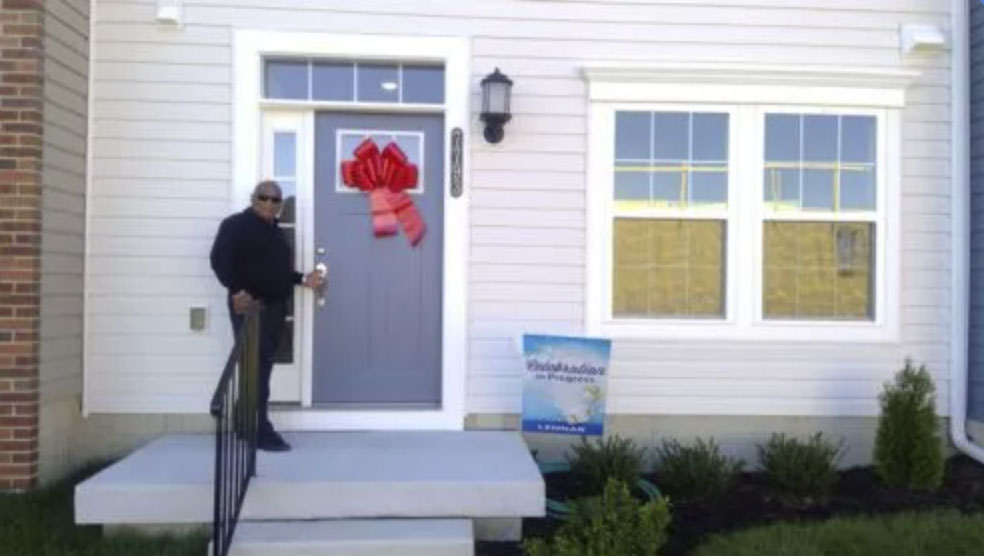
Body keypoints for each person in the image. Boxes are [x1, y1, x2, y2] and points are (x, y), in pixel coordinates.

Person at [210, 180, 324, 452]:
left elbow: (277, 271)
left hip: (274, 309)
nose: (271, 204)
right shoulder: (235, 225)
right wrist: (236, 290)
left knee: (260, 368)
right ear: (253, 199)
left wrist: (302, 279)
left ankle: (244, 423)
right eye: (265, 198)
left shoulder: (274, 231)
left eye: (276, 200)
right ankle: (258, 430)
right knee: (256, 369)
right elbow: (219, 260)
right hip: (251, 309)